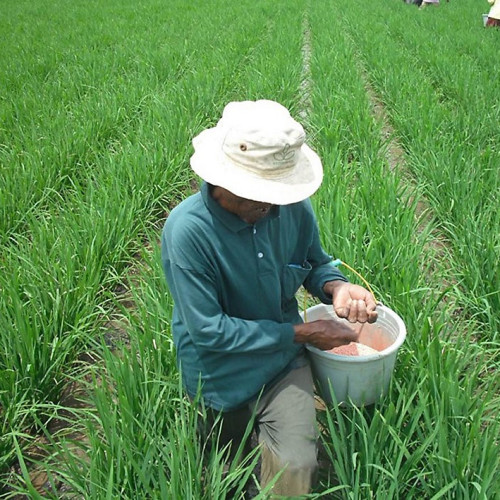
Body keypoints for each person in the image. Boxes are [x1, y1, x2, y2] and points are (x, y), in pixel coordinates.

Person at [161, 100, 378, 497]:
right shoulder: (188, 232)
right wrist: (305, 333)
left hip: (281, 364)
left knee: (295, 466)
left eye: (274, 193)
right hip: (218, 375)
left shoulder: (288, 206)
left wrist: (337, 287)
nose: (270, 204)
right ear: (223, 180)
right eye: (258, 195)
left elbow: (313, 262)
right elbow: (210, 332)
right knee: (225, 470)